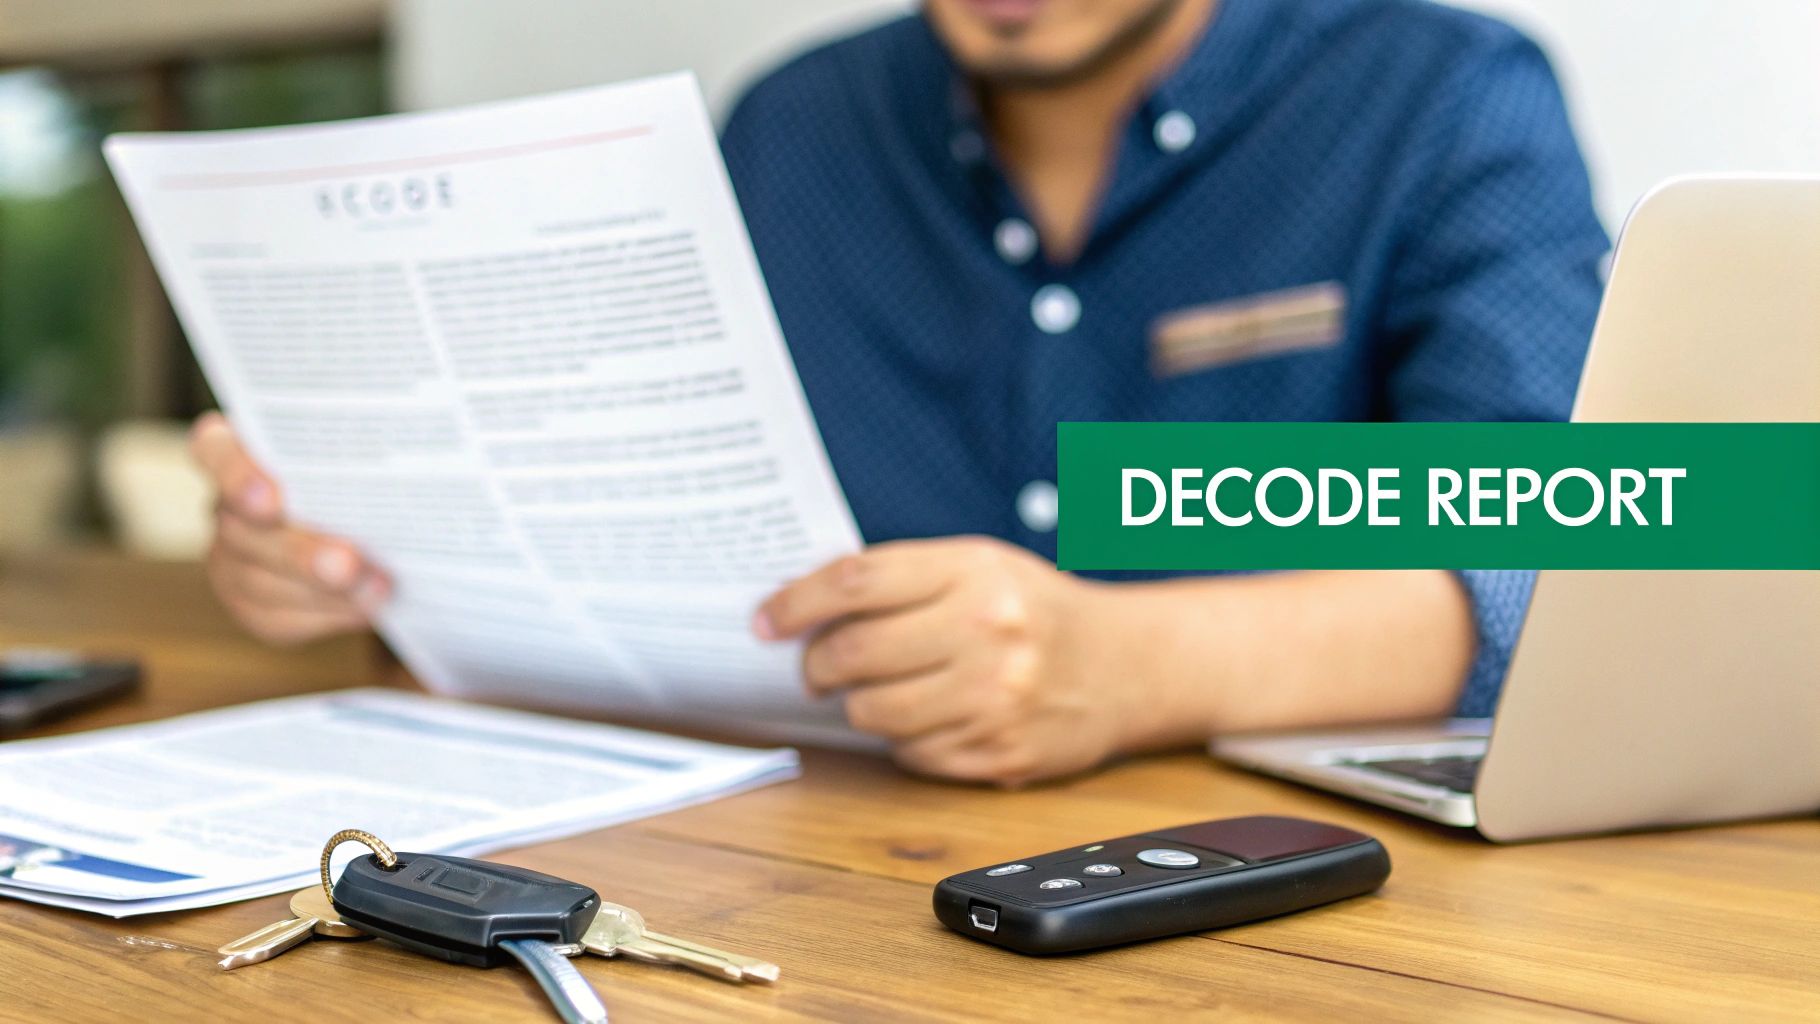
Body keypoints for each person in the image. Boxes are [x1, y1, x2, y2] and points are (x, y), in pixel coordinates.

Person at [189, 0, 1608, 785]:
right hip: (818, 868)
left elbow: (1588, 547)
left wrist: (1135, 663)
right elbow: (650, 504)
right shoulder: (793, 125)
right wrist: (365, 557)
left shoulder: (1440, 90)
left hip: (1294, 908)